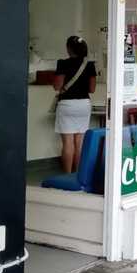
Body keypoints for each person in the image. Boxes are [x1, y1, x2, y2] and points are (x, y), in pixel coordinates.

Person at [53, 36, 97, 173]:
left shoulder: (62, 63)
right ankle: (77, 175)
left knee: (68, 143)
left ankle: (67, 175)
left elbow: (57, 86)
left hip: (67, 105)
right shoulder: (89, 65)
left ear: (69, 48)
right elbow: (92, 89)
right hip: (84, 105)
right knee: (79, 142)